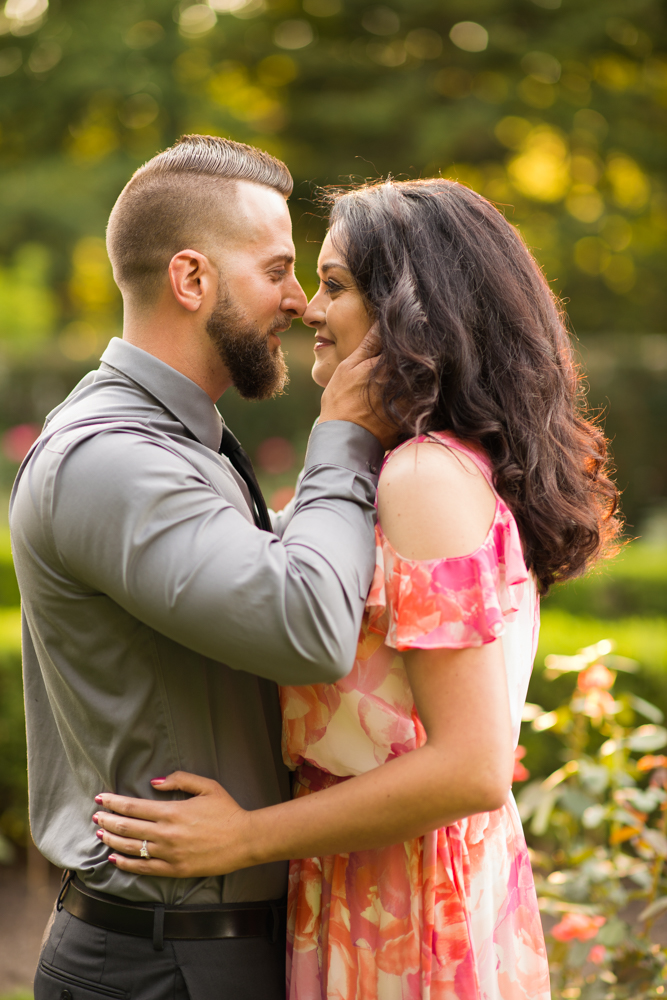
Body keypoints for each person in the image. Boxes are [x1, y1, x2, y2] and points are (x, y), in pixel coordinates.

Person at [94, 178, 621, 999]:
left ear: (413, 314)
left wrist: (241, 840)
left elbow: (472, 767)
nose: (307, 306)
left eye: (335, 285)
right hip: (361, 883)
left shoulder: (423, 477)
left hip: (406, 906)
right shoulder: (397, 469)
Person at [9, 135, 390, 1000]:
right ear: (191, 280)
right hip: (166, 964)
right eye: (278, 270)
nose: (298, 301)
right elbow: (308, 625)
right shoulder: (114, 459)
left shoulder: (173, 441)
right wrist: (344, 433)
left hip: (201, 946)